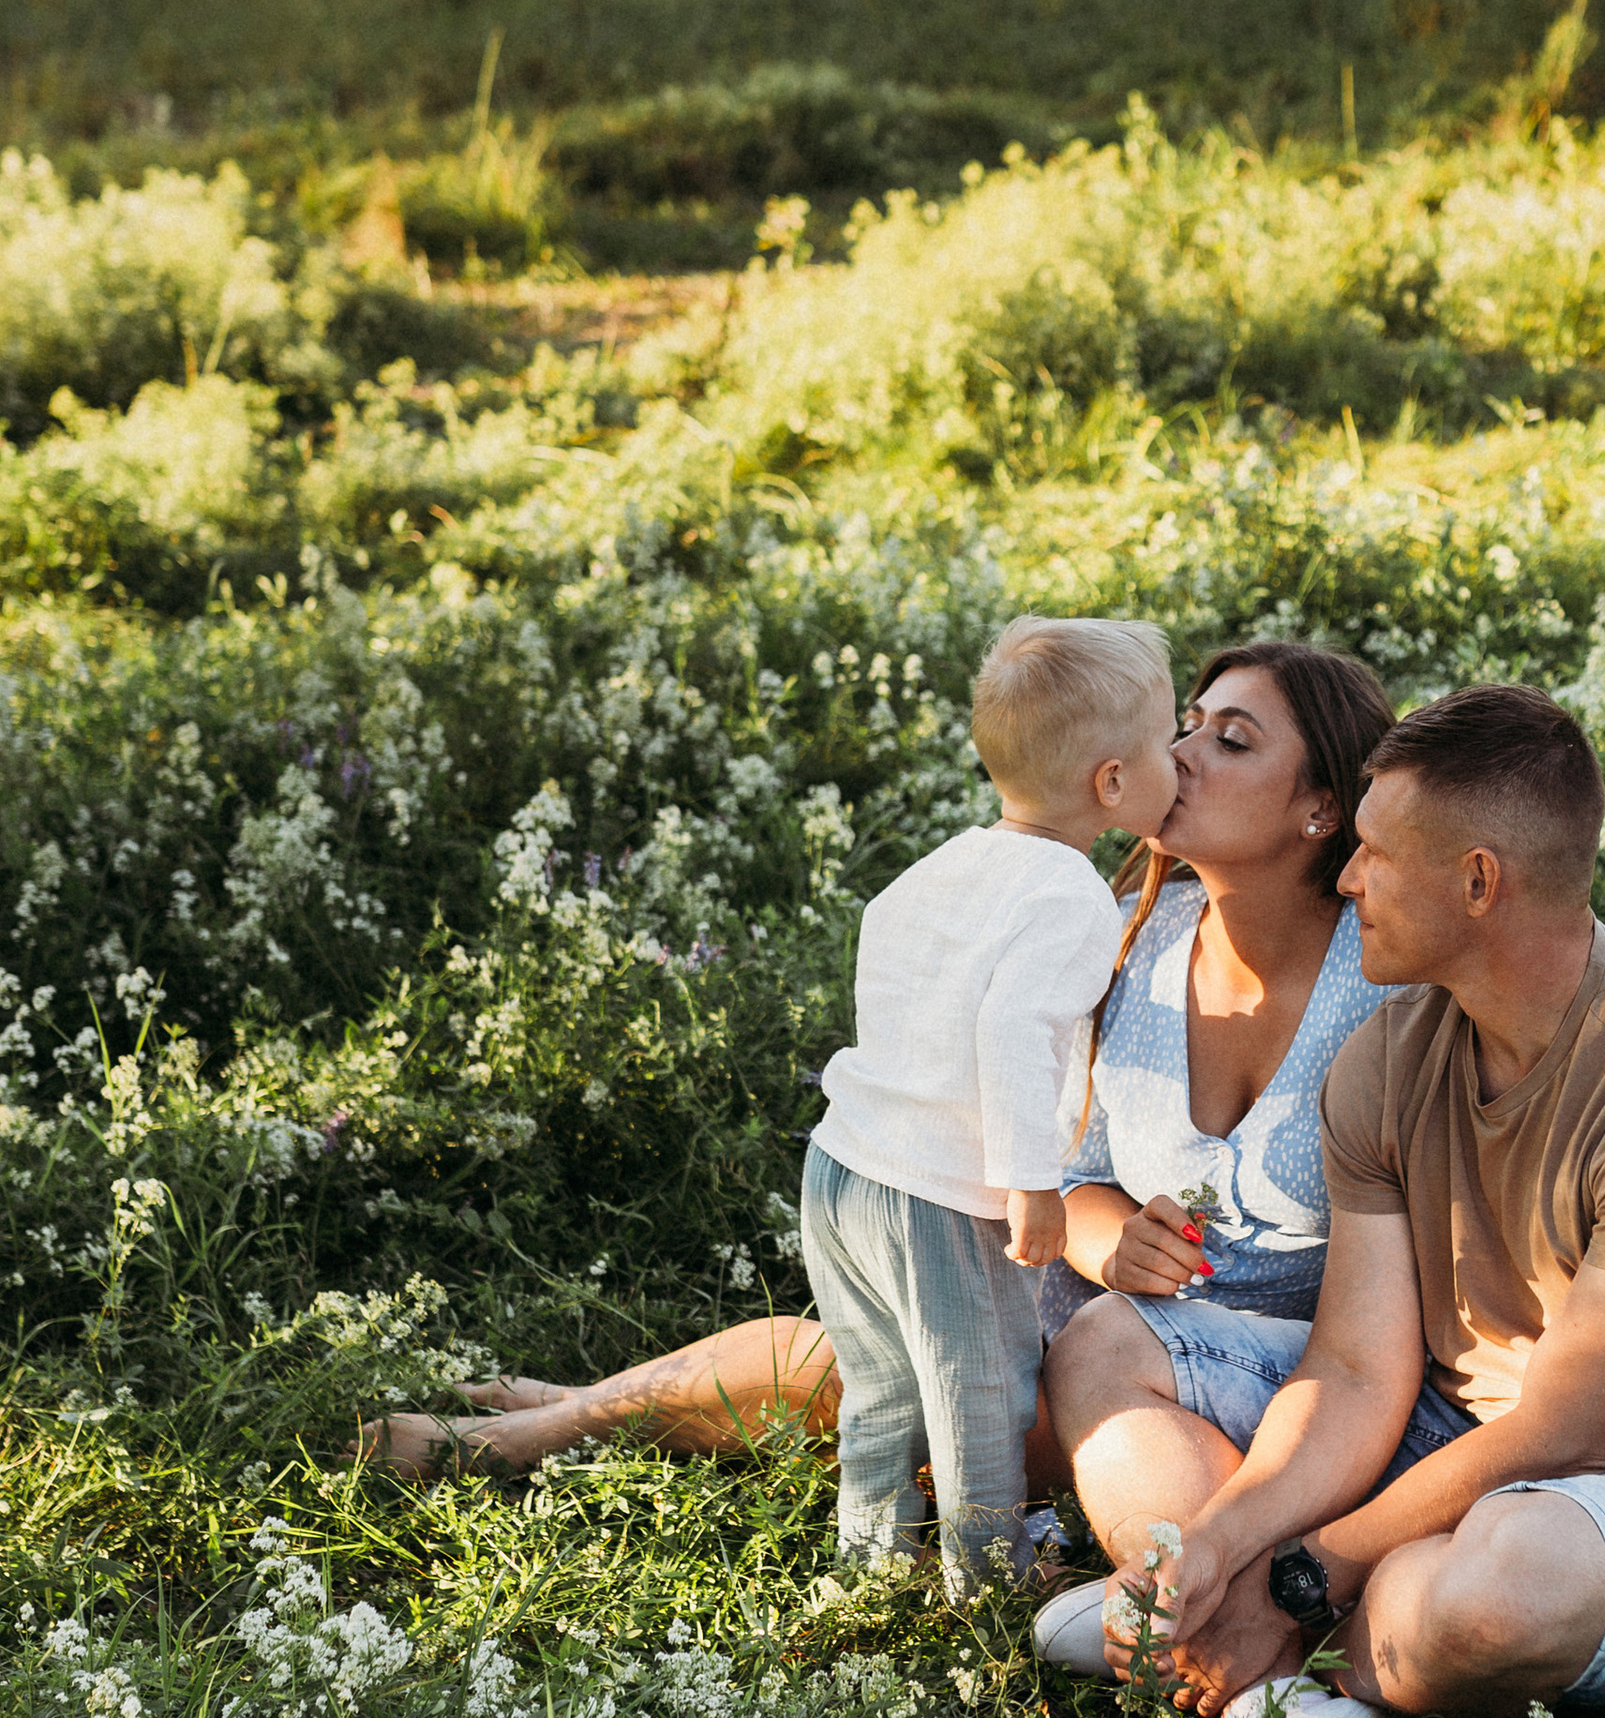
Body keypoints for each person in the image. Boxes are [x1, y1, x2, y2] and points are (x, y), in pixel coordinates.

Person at [358, 639, 1397, 1510]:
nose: (1180, 754)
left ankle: (562, 1412)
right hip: (1077, 1325)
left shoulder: (1387, 984)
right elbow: (1062, 1162)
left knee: (884, 1395)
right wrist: (1114, 1241)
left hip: (1259, 1380)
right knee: (878, 1382)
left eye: (1231, 739)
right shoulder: (1126, 930)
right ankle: (554, 1420)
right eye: (1188, 725)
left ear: (1319, 809)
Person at [1036, 683, 1605, 1718]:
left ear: (1477, 883)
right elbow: (1359, 1370)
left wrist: (1303, 1573)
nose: (1349, 879)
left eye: (1373, 854)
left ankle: (1282, 1650)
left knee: (1491, 1592)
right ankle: (1251, 1652)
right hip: (1443, 1423)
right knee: (1107, 1345)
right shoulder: (1394, 1050)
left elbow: (1562, 1432)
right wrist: (1221, 1542)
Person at [797, 612, 1176, 1592]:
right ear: (1112, 785)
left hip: (842, 1164)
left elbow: (885, 945)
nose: (1180, 755)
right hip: (939, 1197)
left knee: (880, 1384)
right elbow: (1013, 1033)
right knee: (982, 1390)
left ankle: (873, 1560)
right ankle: (991, 1578)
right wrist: (1030, 1184)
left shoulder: (947, 865)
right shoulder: (1069, 898)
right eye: (1166, 738)